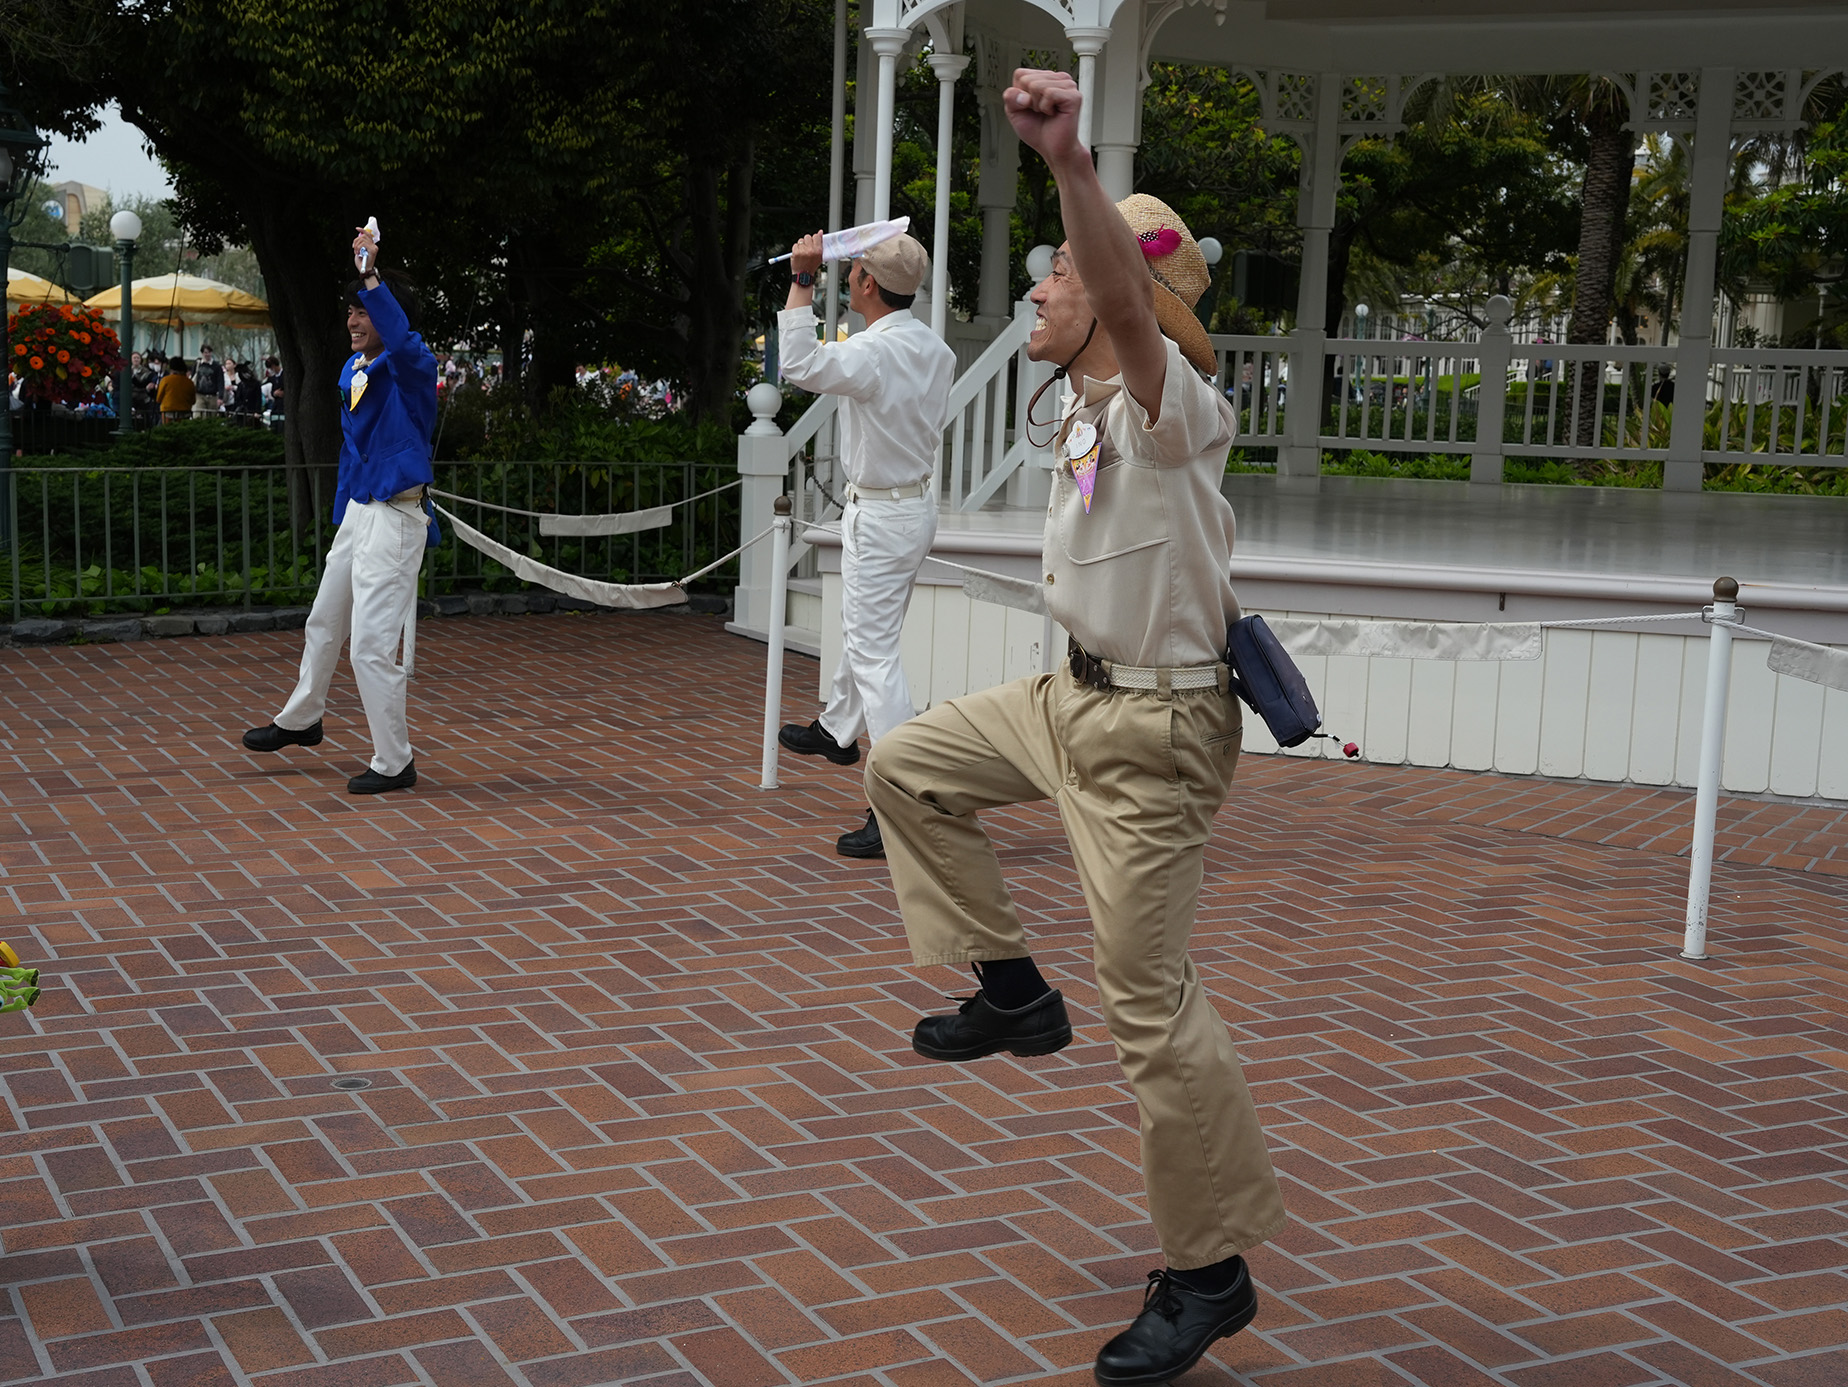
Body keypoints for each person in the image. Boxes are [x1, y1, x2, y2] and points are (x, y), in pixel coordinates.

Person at [863, 69, 1286, 1385]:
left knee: (1152, 1008)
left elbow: (1118, 290)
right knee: (909, 768)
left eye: (1057, 278)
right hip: (1068, 699)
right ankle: (1011, 991)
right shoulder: (1093, 411)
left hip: (1149, 740)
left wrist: (1069, 163)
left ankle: (1211, 1269)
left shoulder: (1170, 411)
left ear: (1114, 300)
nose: (1036, 291)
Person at [774, 228, 956, 859]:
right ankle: (838, 728)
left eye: (852, 272)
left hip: (883, 514)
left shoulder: (876, 354)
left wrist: (801, 279)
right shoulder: (932, 348)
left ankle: (899, 803)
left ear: (867, 284)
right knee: (866, 635)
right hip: (909, 508)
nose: (847, 279)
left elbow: (798, 367)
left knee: (875, 655)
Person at [242, 223, 440, 795]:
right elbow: (356, 449)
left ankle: (394, 761)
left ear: (389, 313)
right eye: (350, 310)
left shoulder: (413, 365)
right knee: (324, 620)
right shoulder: (354, 369)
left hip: (396, 517)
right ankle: (303, 718)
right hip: (362, 512)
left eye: (363, 310)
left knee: (373, 647)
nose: (352, 320)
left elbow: (402, 344)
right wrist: (345, 520)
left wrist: (371, 274)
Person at [156, 358, 196, 423]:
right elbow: (193, 401)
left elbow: (158, 399)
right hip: (185, 413)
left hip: (168, 412)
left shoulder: (165, 380)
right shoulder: (189, 382)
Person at [192, 344, 225, 415]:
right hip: (199, 395)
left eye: (209, 352)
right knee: (199, 415)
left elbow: (220, 382)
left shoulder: (217, 366)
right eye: (205, 352)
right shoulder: (198, 364)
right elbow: (193, 378)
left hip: (212, 396)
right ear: (202, 353)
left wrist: (220, 397)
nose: (207, 354)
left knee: (212, 416)